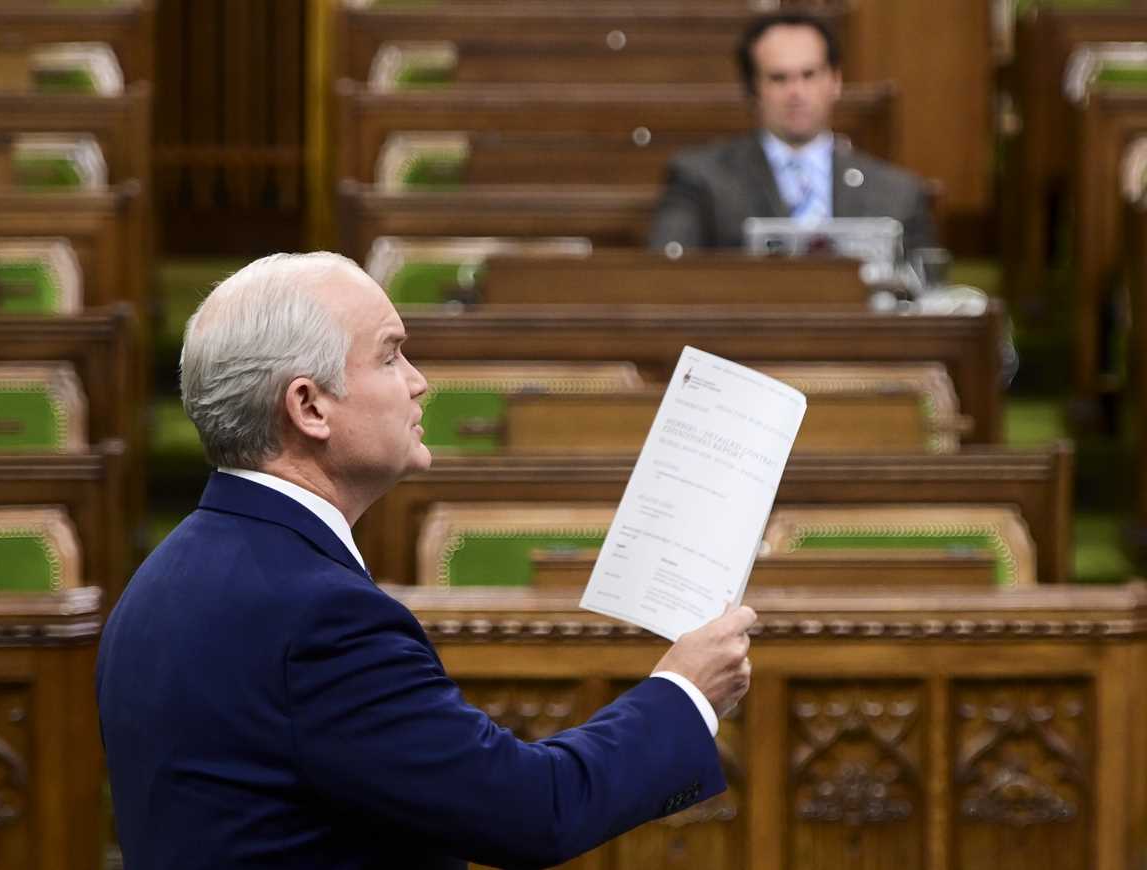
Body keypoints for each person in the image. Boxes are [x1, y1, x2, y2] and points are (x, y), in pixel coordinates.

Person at [96, 252, 757, 869]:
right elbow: (535, 810)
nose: (419, 383)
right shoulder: (321, 619)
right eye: (390, 357)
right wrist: (687, 692)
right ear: (308, 405)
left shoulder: (160, 579)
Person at [649, 12, 937, 254]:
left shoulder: (897, 193)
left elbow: (926, 296)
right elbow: (671, 277)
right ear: (753, 90)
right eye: (779, 78)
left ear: (835, 80)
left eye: (809, 75)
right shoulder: (701, 181)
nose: (796, 92)